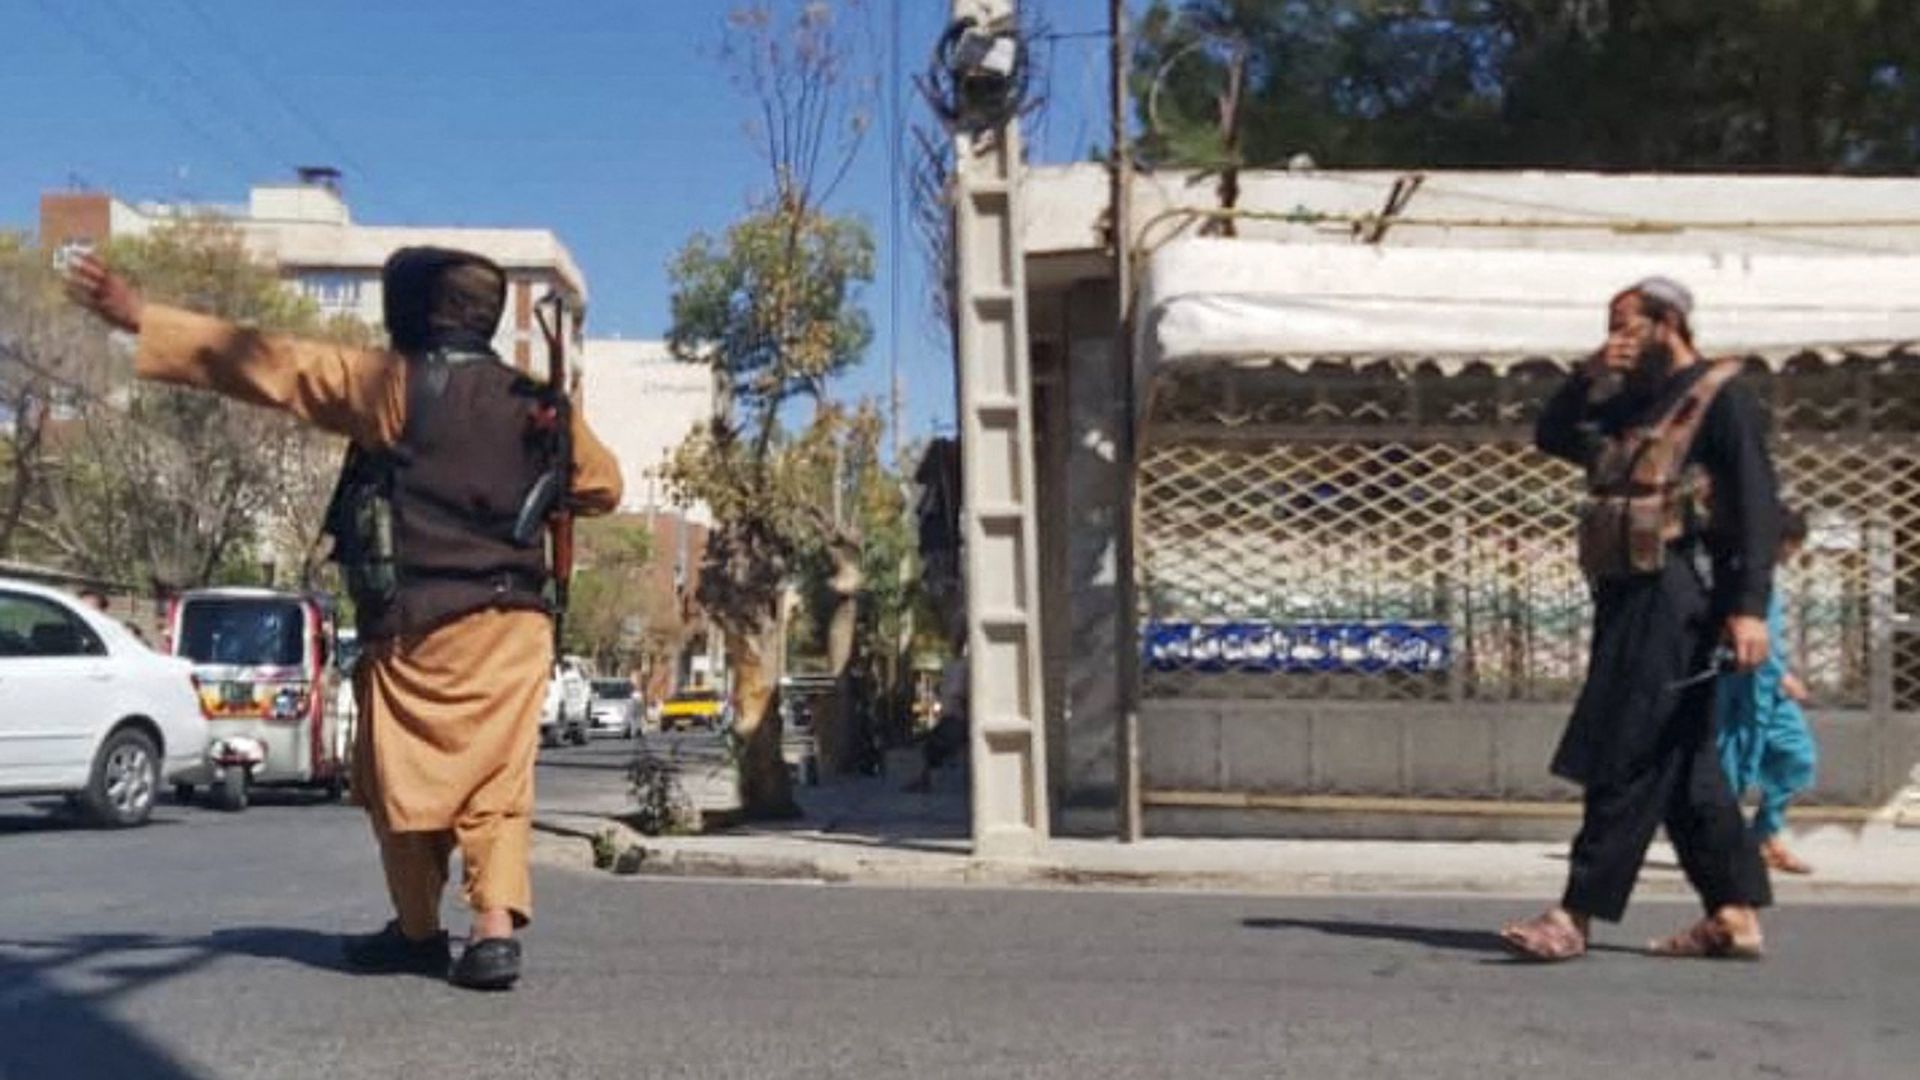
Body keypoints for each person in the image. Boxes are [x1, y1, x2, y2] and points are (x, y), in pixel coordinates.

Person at [65, 248, 622, 990]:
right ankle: (493, 931)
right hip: (514, 625)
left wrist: (141, 318)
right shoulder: (538, 405)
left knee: (397, 780)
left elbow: (276, 366)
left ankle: (420, 931)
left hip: (416, 629)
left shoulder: (389, 386)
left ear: (413, 310)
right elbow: (603, 485)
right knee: (497, 782)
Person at [1501, 276, 1779, 962]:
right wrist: (1588, 374)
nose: (1616, 337)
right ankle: (1733, 913)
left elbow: (1755, 508)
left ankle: (1575, 914)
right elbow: (1554, 435)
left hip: (1680, 594)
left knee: (1625, 744)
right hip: (1628, 590)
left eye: (1627, 324)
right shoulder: (1631, 400)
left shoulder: (1722, 397)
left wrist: (1748, 609)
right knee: (1684, 763)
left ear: (1668, 322)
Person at [1719, 506, 1818, 875]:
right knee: (1729, 769)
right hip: (1738, 689)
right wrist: (1782, 675)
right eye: (1792, 544)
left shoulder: (1765, 579)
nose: (1793, 552)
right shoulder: (1736, 574)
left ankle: (1765, 834)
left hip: (1768, 692)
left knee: (1796, 755)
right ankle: (1726, 849)